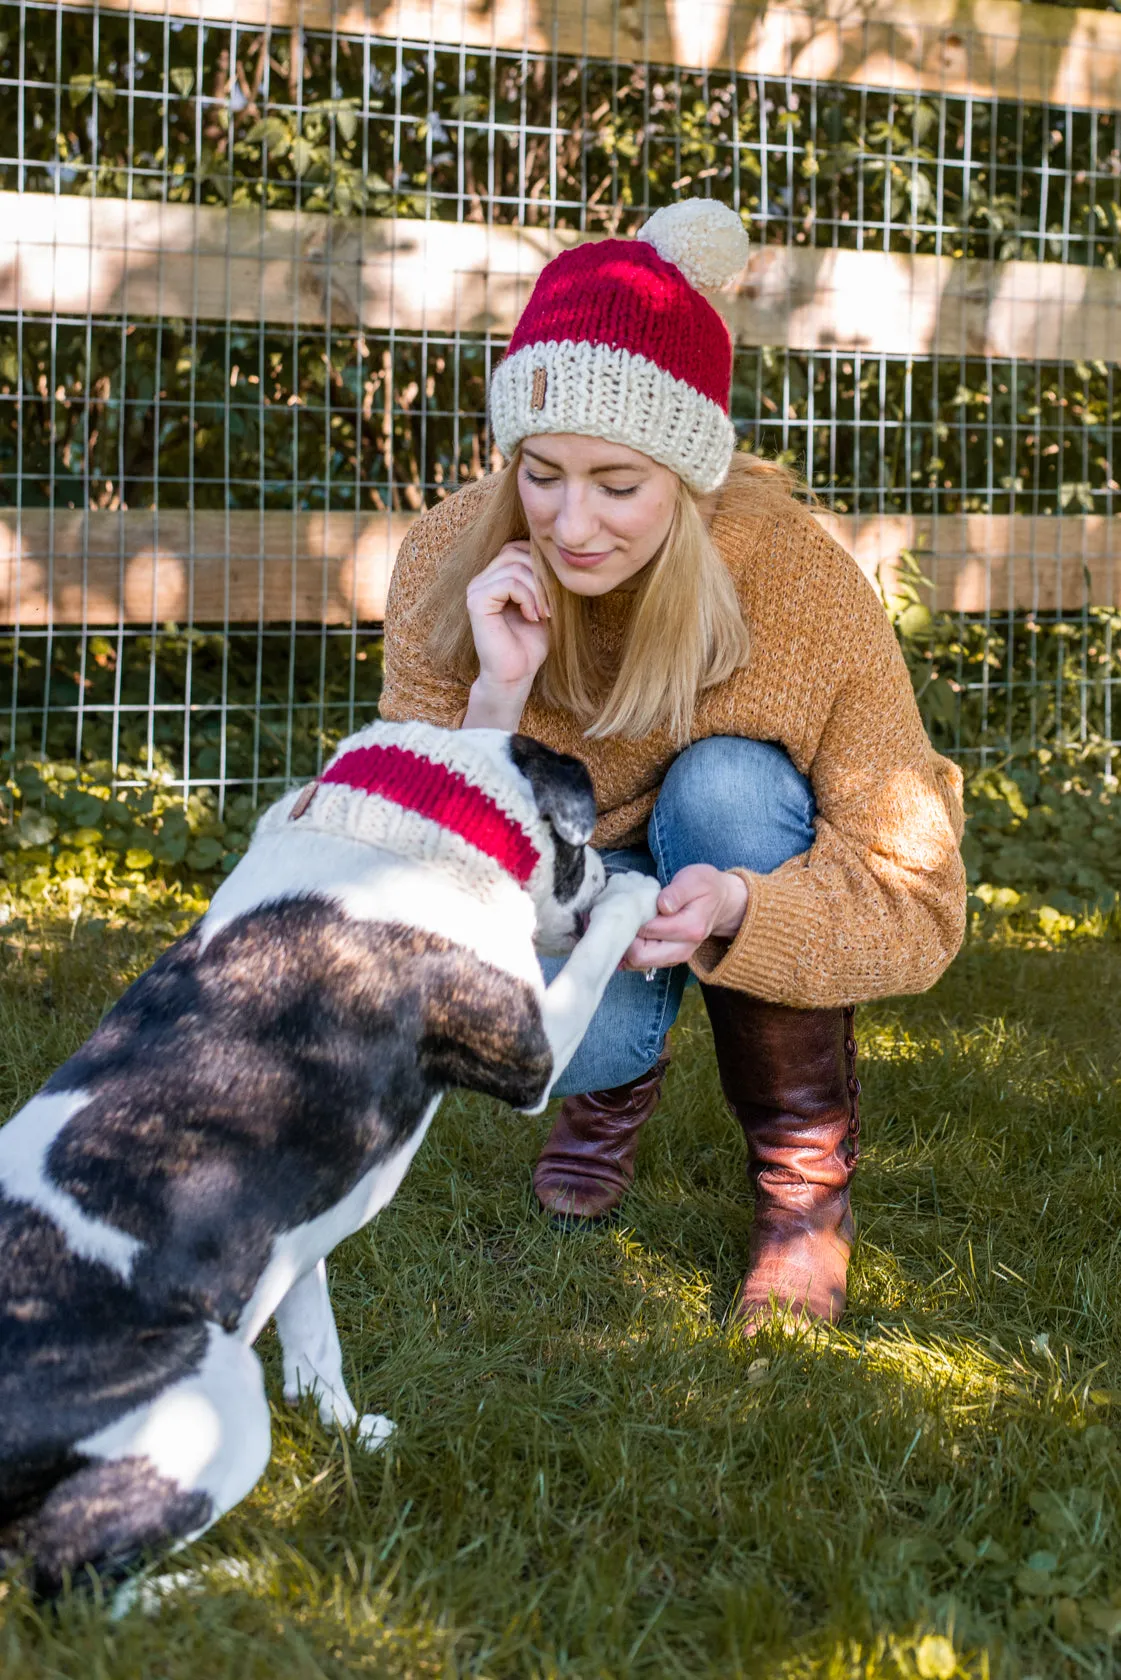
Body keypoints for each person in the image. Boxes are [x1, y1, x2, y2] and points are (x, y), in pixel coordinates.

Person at [379, 198, 966, 1331]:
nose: (569, 523)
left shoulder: (793, 583)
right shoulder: (448, 562)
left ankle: (802, 1191)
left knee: (730, 786)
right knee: (564, 1046)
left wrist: (749, 906)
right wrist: (496, 701)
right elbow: (412, 878)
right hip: (574, 881)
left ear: (689, 477)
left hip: (730, 851)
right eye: (541, 472)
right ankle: (603, 1104)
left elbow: (921, 894)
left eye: (617, 484)